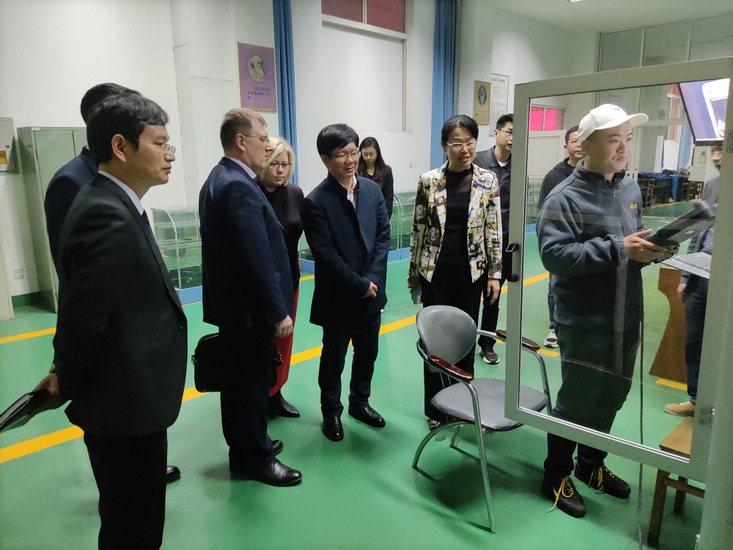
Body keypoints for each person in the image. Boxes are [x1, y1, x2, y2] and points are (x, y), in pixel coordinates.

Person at [35, 93, 187, 548]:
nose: (170, 154)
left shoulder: (116, 201)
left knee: (135, 520)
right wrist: (66, 376)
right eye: (159, 143)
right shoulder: (105, 212)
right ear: (121, 147)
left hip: (131, 397)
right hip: (123, 404)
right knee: (132, 528)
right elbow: (83, 316)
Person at [537, 104, 673, 518]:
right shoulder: (564, 197)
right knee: (576, 401)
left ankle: (591, 463)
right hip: (584, 321)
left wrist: (653, 251)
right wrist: (619, 249)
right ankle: (555, 475)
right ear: (584, 145)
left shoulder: (629, 190)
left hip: (625, 316)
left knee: (613, 395)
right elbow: (554, 256)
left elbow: (630, 252)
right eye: (613, 140)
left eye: (627, 139)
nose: (623, 148)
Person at [199, 108, 302, 487]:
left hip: (235, 308)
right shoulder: (237, 185)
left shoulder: (220, 178)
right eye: (262, 139)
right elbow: (256, 256)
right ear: (241, 142)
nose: (268, 147)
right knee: (252, 385)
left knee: (239, 385)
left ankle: (246, 446)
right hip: (249, 311)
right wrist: (277, 311)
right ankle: (256, 458)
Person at [408, 114, 502, 429]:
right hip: (435, 274)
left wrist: (494, 274)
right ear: (444, 146)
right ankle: (436, 409)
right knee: (434, 343)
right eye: (457, 143)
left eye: (470, 142)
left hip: (471, 274)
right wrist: (414, 273)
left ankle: (462, 405)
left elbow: (493, 230)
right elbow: (418, 229)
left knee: (464, 339)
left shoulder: (487, 180)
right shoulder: (429, 180)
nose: (465, 149)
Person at [302, 123, 391, 442]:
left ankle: (359, 403)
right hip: (338, 296)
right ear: (325, 159)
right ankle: (331, 412)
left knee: (368, 352)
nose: (351, 159)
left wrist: (372, 279)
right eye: (342, 154)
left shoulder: (372, 190)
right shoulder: (315, 201)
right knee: (333, 358)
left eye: (354, 152)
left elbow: (383, 235)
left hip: (371, 293)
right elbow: (324, 253)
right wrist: (358, 284)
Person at [664, 144, 723, 417]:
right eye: (714, 150)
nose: (716, 157)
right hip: (701, 279)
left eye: (722, 150)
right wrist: (687, 276)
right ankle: (697, 399)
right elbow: (699, 229)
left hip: (726, 281)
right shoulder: (712, 185)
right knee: (695, 341)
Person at [255, 138, 304, 419]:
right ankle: (258, 395)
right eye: (274, 163)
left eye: (285, 164)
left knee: (284, 342)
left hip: (290, 281)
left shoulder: (295, 194)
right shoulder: (250, 193)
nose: (280, 170)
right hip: (260, 283)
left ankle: (276, 392)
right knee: (261, 343)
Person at [537, 125, 583, 348]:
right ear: (566, 146)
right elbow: (543, 213)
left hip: (585, 244)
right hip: (562, 242)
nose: (579, 145)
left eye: (583, 140)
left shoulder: (598, 175)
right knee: (555, 285)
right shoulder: (554, 177)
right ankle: (555, 327)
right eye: (574, 141)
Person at [474, 113, 513, 364]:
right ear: (496, 133)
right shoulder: (477, 161)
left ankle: (487, 344)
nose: (513, 138)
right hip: (476, 244)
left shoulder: (519, 165)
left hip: (504, 245)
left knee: (493, 296)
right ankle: (462, 342)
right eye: (509, 131)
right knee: (469, 297)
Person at [358, 136, 395, 220]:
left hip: (380, 215)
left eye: (371, 154)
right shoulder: (356, 171)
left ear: (377, 152)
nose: (368, 158)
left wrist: (385, 219)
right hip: (361, 216)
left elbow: (388, 198)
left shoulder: (386, 171)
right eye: (365, 154)